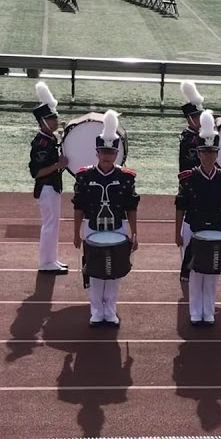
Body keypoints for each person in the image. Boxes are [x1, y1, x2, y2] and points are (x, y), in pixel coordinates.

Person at [72, 110, 140, 327]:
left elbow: (131, 207)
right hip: (93, 228)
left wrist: (134, 233)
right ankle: (96, 311)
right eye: (103, 151)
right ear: (97, 152)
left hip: (117, 228)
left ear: (117, 153)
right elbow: (78, 206)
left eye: (111, 152)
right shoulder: (84, 176)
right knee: (94, 270)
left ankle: (110, 310)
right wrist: (76, 233)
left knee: (114, 271)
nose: (107, 156)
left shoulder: (126, 177)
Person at [174, 109, 221, 326]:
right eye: (204, 152)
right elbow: (180, 206)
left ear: (217, 154)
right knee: (194, 271)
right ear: (198, 154)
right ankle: (195, 312)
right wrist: (177, 232)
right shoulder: (189, 178)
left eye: (212, 153)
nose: (209, 156)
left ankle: (208, 311)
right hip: (193, 227)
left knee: (212, 273)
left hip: (217, 229)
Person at [31, 81, 69, 275]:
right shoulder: (41, 143)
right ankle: (45, 261)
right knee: (49, 225)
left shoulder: (51, 139)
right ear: (42, 121)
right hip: (46, 187)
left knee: (54, 224)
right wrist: (57, 165)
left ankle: (51, 259)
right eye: (51, 118)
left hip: (53, 186)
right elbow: (36, 172)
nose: (55, 121)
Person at [177, 80, 206, 282]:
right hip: (190, 188)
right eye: (196, 117)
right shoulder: (189, 138)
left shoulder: (202, 136)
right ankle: (186, 268)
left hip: (205, 186)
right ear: (189, 119)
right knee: (189, 227)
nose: (200, 120)